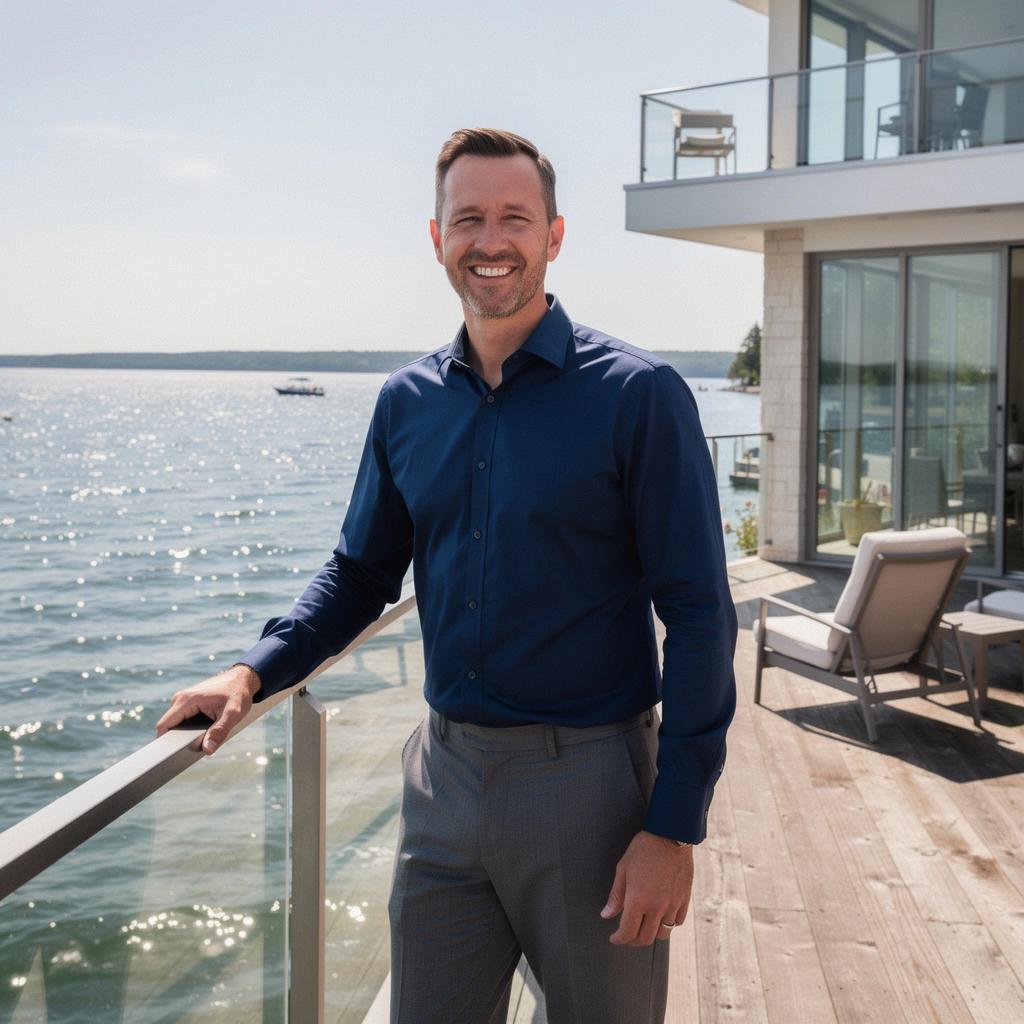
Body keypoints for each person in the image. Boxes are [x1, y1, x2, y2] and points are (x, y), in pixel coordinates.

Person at [156, 127, 736, 1023]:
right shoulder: (404, 403)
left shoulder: (639, 395)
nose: (491, 240)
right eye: (468, 218)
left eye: (515, 217)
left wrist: (673, 824)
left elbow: (699, 615)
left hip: (589, 788)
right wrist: (252, 672)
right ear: (437, 238)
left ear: (554, 235)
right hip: (441, 782)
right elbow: (359, 574)